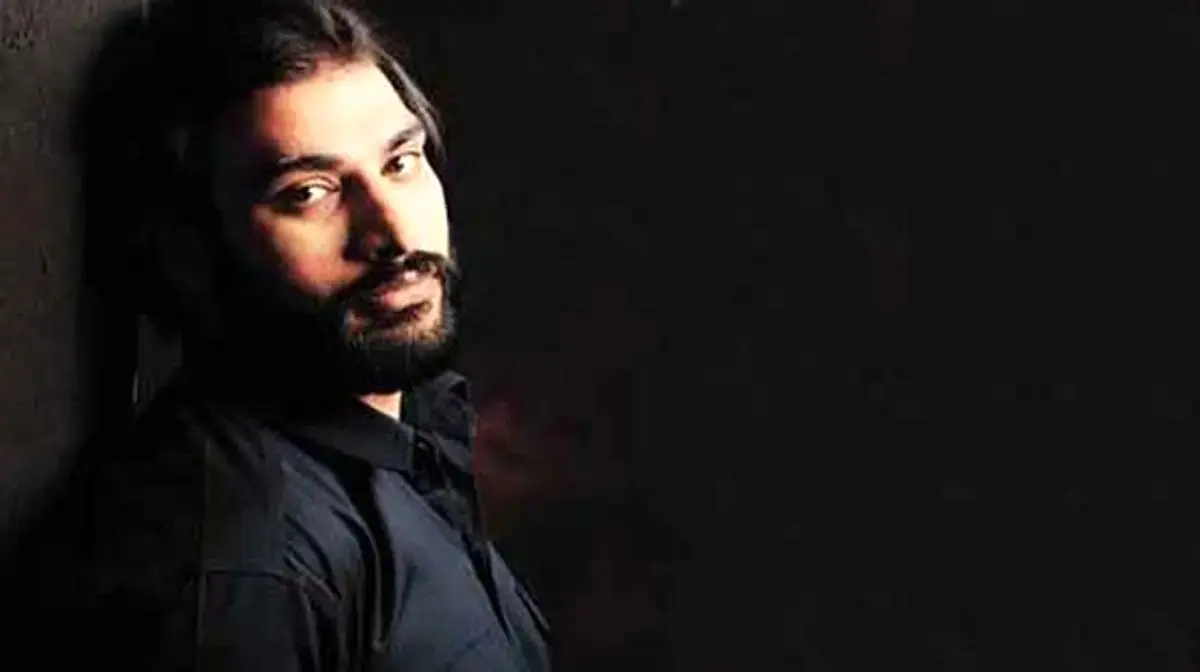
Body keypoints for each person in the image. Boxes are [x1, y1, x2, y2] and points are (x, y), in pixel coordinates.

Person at [62, 0, 551, 669]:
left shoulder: (409, 431)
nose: (392, 233)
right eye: (308, 193)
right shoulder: (251, 569)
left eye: (401, 162)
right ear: (191, 247)